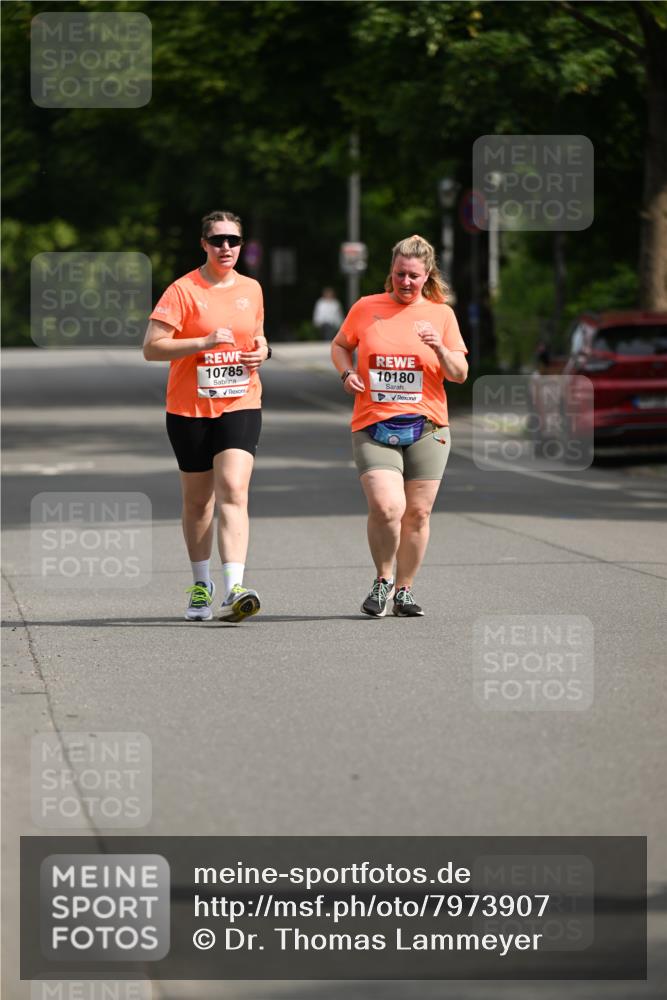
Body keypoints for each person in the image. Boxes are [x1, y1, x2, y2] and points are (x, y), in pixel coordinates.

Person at [143, 210, 271, 622]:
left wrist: (263, 352)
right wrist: (202, 342)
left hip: (241, 401)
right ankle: (202, 585)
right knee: (198, 502)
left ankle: (235, 587)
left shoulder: (252, 289)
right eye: (218, 240)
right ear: (204, 244)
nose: (226, 247)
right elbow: (152, 347)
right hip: (189, 408)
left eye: (234, 240)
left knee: (234, 487)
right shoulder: (182, 290)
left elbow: (260, 335)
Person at [331, 234, 468, 618]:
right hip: (373, 422)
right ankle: (383, 578)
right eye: (399, 275)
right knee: (388, 507)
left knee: (418, 514)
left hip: (428, 426)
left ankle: (405, 590)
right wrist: (345, 372)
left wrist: (439, 348)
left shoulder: (441, 314)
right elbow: (340, 345)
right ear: (390, 273)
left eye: (413, 276)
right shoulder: (366, 307)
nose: (405, 283)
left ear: (427, 276)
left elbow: (459, 374)